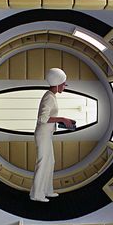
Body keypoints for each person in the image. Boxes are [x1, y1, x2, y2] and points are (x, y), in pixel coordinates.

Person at [30, 68, 75, 202]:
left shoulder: (51, 96)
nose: (65, 86)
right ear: (57, 84)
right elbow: (42, 119)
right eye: (63, 84)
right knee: (43, 162)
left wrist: (64, 120)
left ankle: (47, 190)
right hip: (42, 135)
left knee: (50, 162)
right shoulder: (49, 97)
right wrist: (62, 119)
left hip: (46, 134)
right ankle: (36, 194)